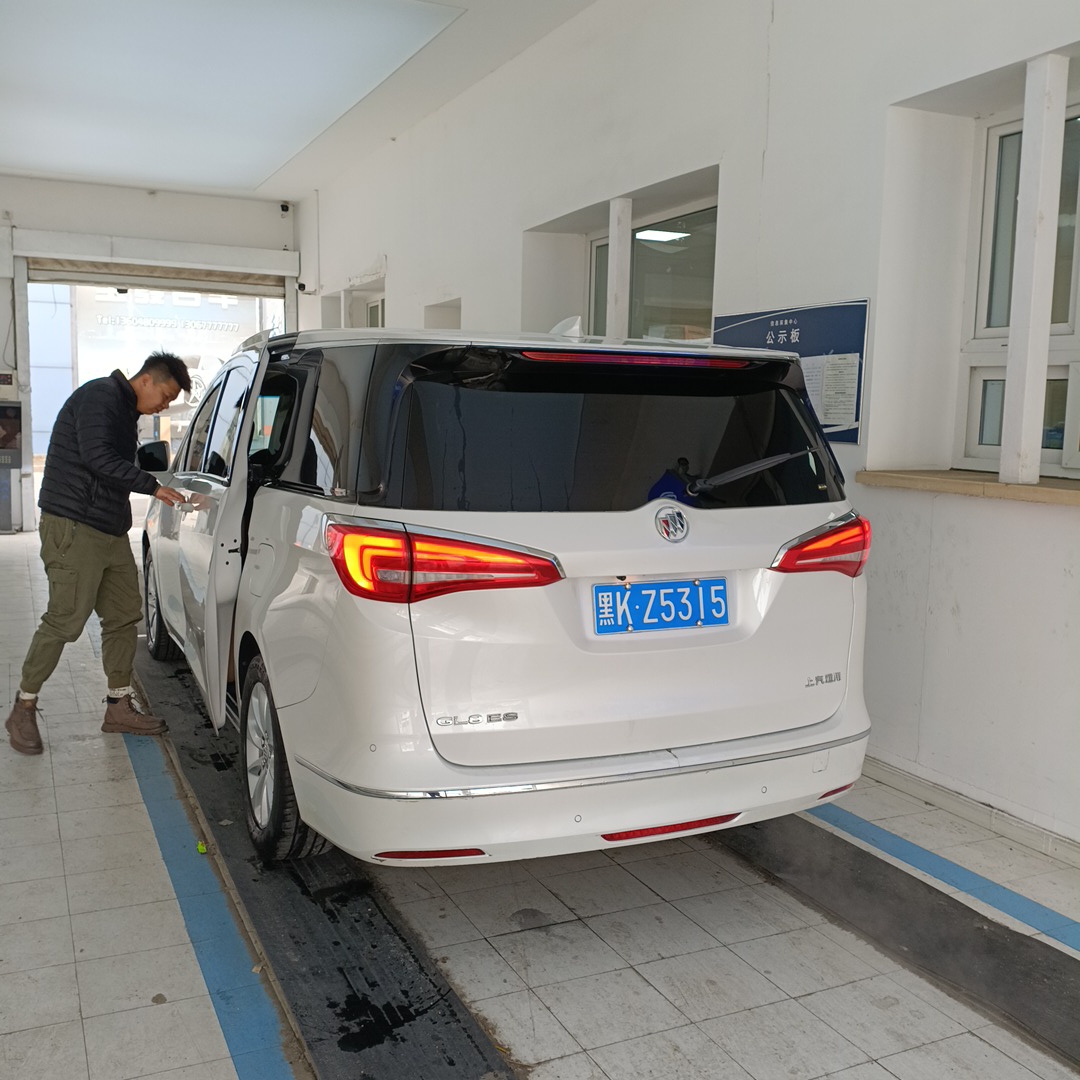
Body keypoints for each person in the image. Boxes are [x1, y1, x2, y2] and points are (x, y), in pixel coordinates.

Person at [5, 351, 191, 755]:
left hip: (109, 529)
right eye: (165, 395)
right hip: (74, 525)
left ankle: (118, 705)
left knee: (124, 615)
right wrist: (153, 486)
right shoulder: (101, 396)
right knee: (65, 619)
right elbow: (97, 457)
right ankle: (23, 706)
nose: (165, 406)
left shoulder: (124, 411)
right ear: (146, 380)